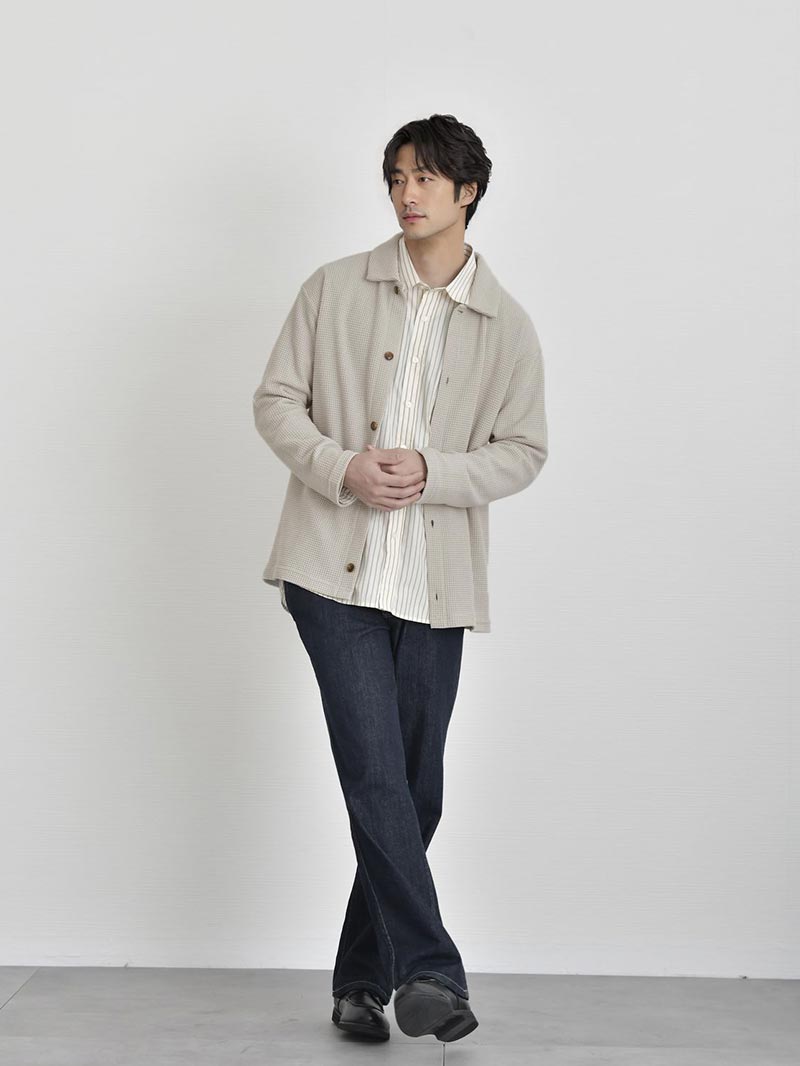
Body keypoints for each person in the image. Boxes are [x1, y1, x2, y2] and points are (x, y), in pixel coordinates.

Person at [252, 113, 548, 1044]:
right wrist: (342, 465)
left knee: (416, 794)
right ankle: (431, 973)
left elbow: (525, 450)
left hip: (434, 584)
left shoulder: (506, 324)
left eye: (425, 178)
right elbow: (276, 401)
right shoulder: (334, 288)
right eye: (396, 178)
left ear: (468, 191)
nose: (406, 194)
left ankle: (358, 983)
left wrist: (436, 472)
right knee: (376, 773)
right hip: (329, 577)